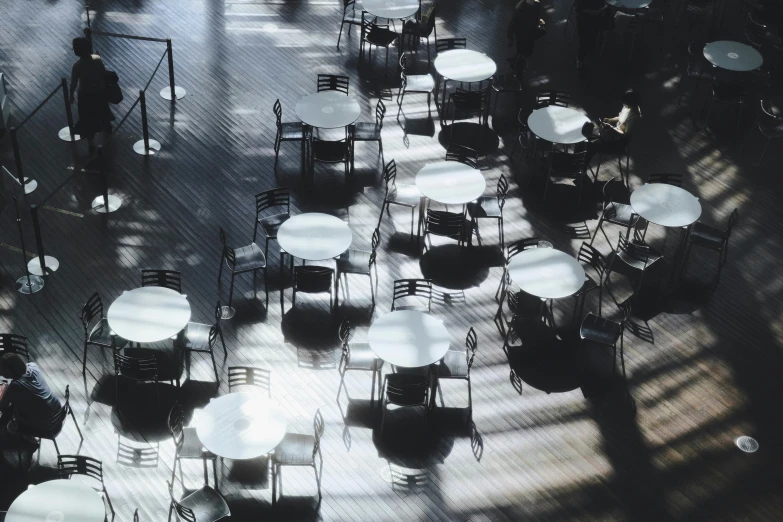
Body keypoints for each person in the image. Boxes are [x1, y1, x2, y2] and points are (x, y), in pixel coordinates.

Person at [69, 36, 114, 154]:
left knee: (87, 119)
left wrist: (71, 95)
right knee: (103, 109)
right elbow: (103, 73)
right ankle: (107, 125)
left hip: (85, 95)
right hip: (99, 91)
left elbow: (73, 83)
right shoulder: (97, 59)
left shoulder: (77, 66)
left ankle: (90, 142)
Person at [0, 353, 62, 437]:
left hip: (47, 426)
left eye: (2, 368)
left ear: (10, 370)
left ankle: (18, 441)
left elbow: (3, 407)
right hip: (58, 414)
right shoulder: (33, 366)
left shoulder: (15, 386)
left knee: (9, 413)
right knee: (19, 401)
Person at [584, 88, 641, 163]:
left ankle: (582, 170)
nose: (624, 105)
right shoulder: (627, 107)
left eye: (626, 103)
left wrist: (611, 128)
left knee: (590, 146)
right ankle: (576, 164)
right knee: (587, 130)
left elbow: (626, 135)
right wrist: (610, 120)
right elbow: (620, 117)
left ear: (631, 103)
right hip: (612, 135)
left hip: (618, 143)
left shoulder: (635, 117)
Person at [575, 0, 609, 69]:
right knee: (584, 42)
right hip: (584, 20)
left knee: (591, 39)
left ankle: (583, 58)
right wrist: (596, 12)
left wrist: (600, 10)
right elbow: (579, 8)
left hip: (593, 18)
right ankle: (580, 60)